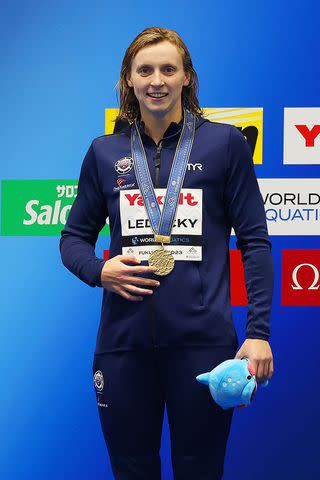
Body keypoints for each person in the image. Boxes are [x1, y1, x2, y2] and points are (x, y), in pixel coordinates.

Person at [59, 26, 274, 480]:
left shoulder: (225, 145)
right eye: (145, 70)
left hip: (204, 348)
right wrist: (101, 271)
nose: (156, 80)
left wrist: (258, 331)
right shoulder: (104, 153)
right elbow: (72, 239)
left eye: (168, 69)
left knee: (200, 470)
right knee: (131, 471)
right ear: (128, 81)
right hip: (123, 347)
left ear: (187, 79)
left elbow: (254, 241)